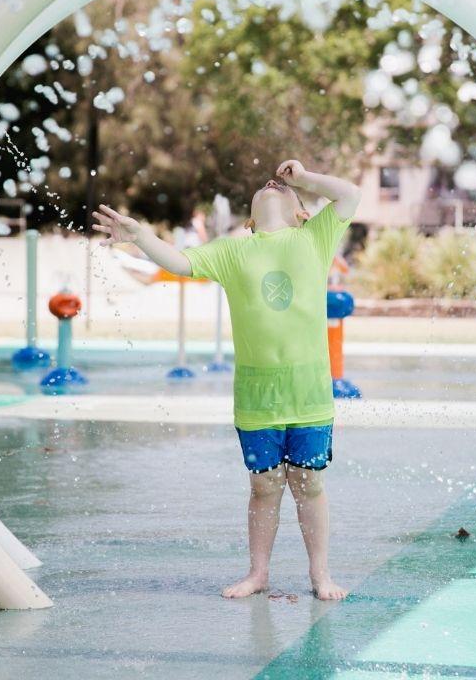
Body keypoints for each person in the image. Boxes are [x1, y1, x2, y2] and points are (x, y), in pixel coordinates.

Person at [92, 160, 360, 600]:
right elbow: (178, 261)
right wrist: (140, 236)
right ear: (250, 220)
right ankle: (258, 573)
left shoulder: (314, 237)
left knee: (309, 484)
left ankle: (320, 576)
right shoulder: (233, 250)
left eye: (284, 189)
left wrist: (306, 180)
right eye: (266, 187)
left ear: (302, 213)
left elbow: (349, 194)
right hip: (256, 396)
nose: (273, 186)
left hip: (309, 393)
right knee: (264, 485)